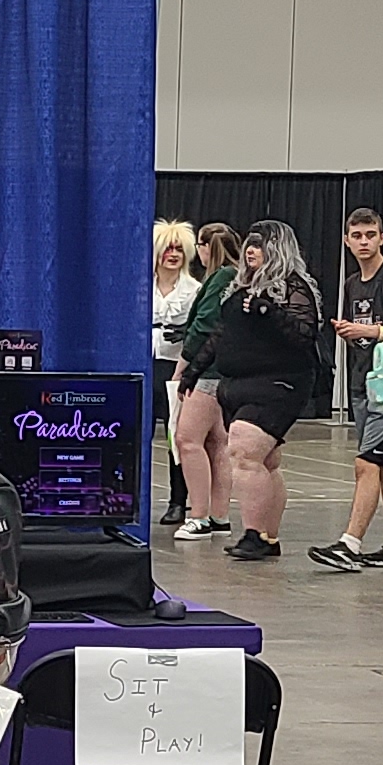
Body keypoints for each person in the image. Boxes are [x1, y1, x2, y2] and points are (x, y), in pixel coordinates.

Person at [194, 221, 325, 566]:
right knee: (266, 461)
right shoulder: (239, 288)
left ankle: (253, 535)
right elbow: (222, 333)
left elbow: (305, 334)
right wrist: (194, 370)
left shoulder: (294, 287)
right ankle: (268, 536)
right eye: (249, 244)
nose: (251, 251)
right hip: (238, 382)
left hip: (280, 382)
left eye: (260, 245)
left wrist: (270, 311)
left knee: (243, 450)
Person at [313, 204, 383, 572]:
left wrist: (373, 331)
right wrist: (350, 333)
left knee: (367, 463)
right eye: (356, 236)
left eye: (370, 235)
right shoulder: (352, 283)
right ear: (346, 241)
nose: (363, 242)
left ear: (382, 238)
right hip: (363, 382)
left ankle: (350, 542)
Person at [169, 222, 235, 540]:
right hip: (228, 371)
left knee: (187, 439)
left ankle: (199, 515)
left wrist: (183, 366)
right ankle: (220, 515)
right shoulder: (236, 277)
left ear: (206, 248)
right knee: (217, 442)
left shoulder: (219, 278)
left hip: (208, 372)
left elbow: (203, 326)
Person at [149, 220, 198, 522]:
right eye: (168, 248)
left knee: (175, 438)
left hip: (176, 369)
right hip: (143, 365)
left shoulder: (195, 290)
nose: (173, 254)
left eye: (179, 249)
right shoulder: (139, 286)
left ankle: (178, 501)